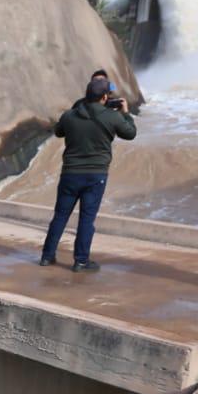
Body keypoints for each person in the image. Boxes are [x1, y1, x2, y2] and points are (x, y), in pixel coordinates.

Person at [38, 76, 137, 271]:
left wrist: (76, 110)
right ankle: (81, 261)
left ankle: (47, 257)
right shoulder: (112, 116)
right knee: (86, 219)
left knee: (60, 217)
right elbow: (130, 133)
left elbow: (58, 132)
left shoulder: (70, 115)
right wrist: (126, 113)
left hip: (70, 174)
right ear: (104, 97)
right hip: (95, 176)